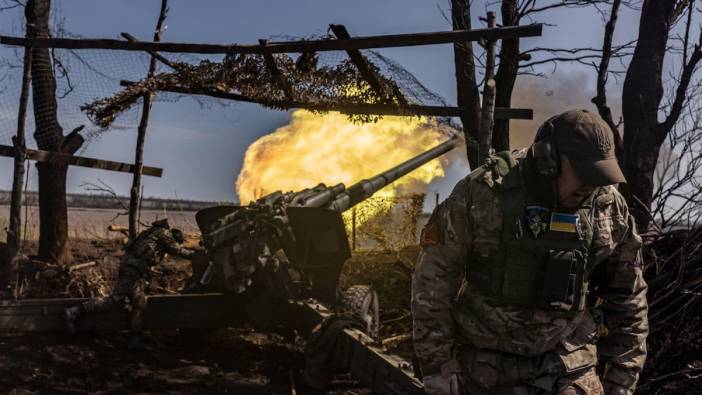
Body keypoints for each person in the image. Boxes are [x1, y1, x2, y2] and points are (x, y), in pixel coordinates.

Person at [412, 109, 648, 395]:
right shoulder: (483, 192)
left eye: (599, 174)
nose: (591, 186)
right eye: (584, 173)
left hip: (567, 361)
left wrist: (622, 379)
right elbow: (433, 280)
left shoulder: (609, 207)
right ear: (547, 158)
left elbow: (628, 297)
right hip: (481, 361)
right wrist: (438, 366)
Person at [65, 219, 195, 347]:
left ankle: (135, 340)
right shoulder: (164, 234)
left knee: (139, 301)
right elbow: (178, 251)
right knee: (114, 300)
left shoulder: (151, 232)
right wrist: (198, 254)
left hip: (133, 269)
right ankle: (75, 311)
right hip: (132, 270)